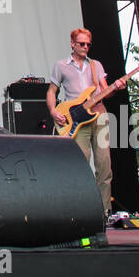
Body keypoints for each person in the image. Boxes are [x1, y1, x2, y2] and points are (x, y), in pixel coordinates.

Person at [48, 28, 113, 215]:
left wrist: (116, 87)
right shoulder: (61, 65)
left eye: (88, 44)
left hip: (99, 116)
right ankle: (82, 210)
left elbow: (105, 90)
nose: (85, 47)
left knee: (104, 165)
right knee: (81, 164)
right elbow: (52, 91)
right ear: (72, 44)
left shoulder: (96, 65)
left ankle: (104, 211)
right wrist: (53, 111)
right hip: (77, 120)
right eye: (82, 43)